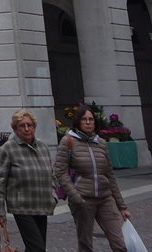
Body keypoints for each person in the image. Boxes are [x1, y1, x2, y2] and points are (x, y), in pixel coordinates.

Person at [54, 106, 130, 252]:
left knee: (119, 242)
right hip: (83, 200)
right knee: (85, 243)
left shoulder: (100, 143)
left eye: (91, 119)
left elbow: (110, 175)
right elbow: (60, 172)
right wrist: (75, 196)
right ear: (78, 122)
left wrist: (122, 206)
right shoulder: (68, 141)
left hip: (105, 198)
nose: (88, 122)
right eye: (84, 119)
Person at [0, 109, 55, 252]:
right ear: (15, 129)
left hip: (42, 204)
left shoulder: (43, 147)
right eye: (22, 126)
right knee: (37, 247)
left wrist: (53, 196)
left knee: (37, 247)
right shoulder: (7, 149)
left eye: (30, 125)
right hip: (22, 206)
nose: (27, 129)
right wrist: (0, 212)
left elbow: (51, 174)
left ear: (35, 127)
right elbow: (0, 183)